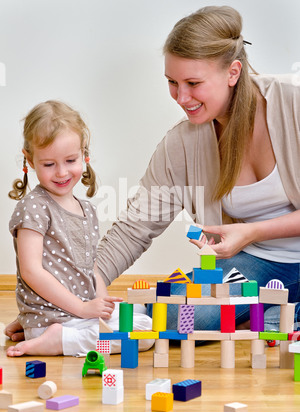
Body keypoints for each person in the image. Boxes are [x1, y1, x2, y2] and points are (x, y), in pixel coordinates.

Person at [6, 5, 300, 341]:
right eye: (172, 83)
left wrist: (252, 231)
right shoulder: (183, 145)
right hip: (255, 267)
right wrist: (61, 303)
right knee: (176, 316)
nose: (181, 97)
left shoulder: (293, 103)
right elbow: (133, 229)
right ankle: (280, 312)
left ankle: (278, 312)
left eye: (193, 83)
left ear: (233, 72)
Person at [6, 100, 154, 357]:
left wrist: (101, 303)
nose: (62, 172)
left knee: (141, 318)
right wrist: (84, 309)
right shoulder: (34, 207)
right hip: (58, 317)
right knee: (141, 337)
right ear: (29, 160)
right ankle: (53, 340)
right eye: (49, 164)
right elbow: (31, 271)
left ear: (84, 154)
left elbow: (89, 267)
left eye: (70, 160)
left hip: (76, 313)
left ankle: (51, 333)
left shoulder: (87, 210)